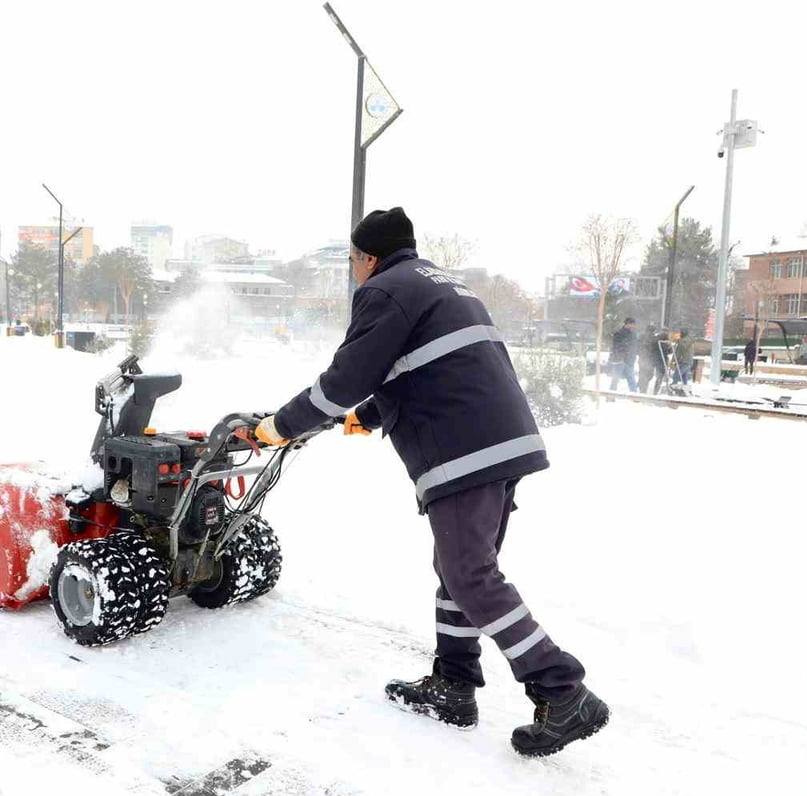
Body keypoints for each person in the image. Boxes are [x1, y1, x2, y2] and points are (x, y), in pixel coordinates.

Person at [254, 208, 607, 757]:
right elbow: (426, 366)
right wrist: (369, 415)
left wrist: (280, 426)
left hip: (463, 450)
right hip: (500, 440)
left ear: (367, 257)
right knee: (458, 569)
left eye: (352, 261)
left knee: (469, 575)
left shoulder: (384, 290)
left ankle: (561, 689)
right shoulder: (442, 284)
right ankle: (454, 684)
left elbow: (345, 379)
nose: (354, 272)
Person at [608, 317, 638, 392]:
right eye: (632, 324)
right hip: (620, 360)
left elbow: (635, 346)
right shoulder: (619, 333)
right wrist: (624, 351)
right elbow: (616, 346)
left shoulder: (633, 334)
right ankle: (611, 395)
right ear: (627, 324)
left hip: (629, 360)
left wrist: (633, 356)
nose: (633, 326)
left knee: (631, 378)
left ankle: (634, 396)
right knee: (616, 379)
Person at [638, 323, 658, 393]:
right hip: (650, 359)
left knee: (642, 373)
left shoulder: (641, 336)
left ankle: (642, 386)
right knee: (649, 375)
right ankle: (643, 387)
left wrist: (639, 353)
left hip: (642, 358)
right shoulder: (653, 338)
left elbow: (637, 346)